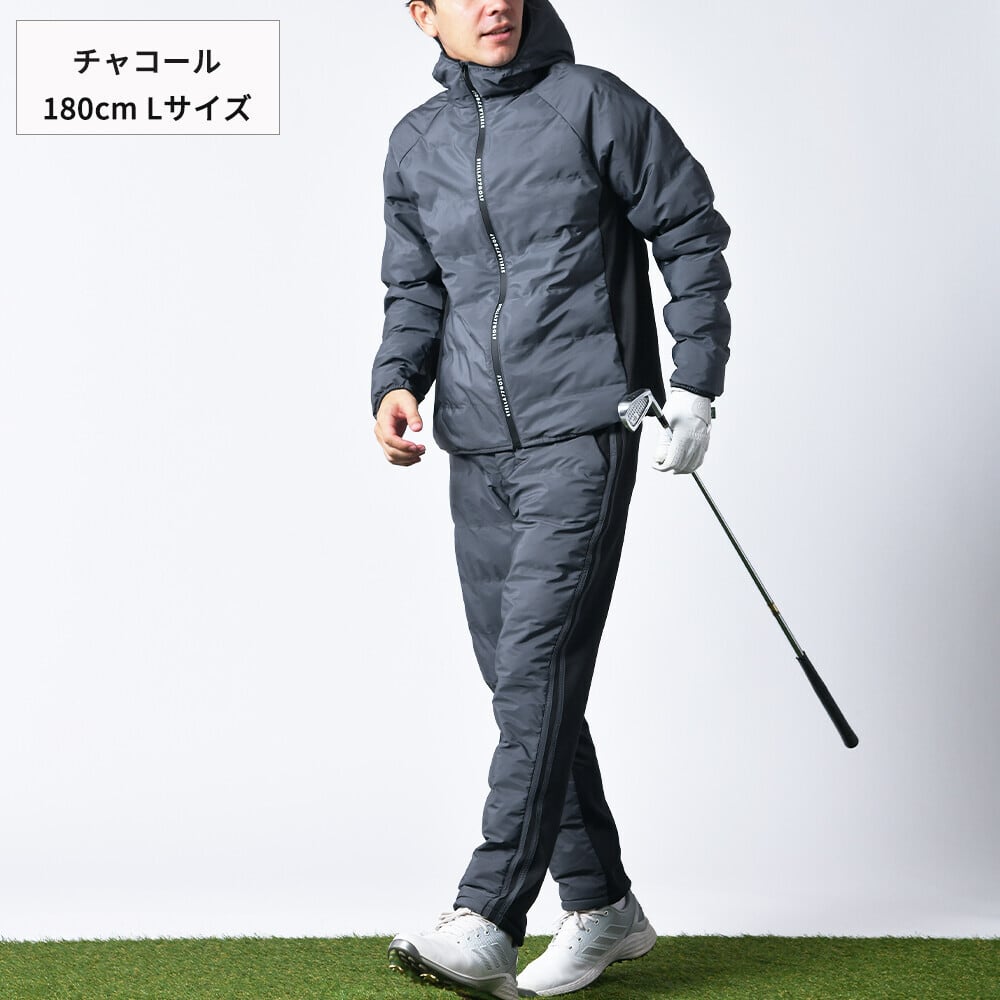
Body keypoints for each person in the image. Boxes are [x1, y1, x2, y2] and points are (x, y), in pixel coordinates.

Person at [371, 1, 732, 996]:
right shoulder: (415, 143)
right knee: (522, 685)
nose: (493, 3)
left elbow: (689, 231)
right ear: (422, 14)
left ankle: (487, 913)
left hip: (583, 429)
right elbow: (416, 287)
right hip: (477, 445)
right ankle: (604, 903)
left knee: (533, 672)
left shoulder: (591, 105)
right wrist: (396, 382)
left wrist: (696, 382)